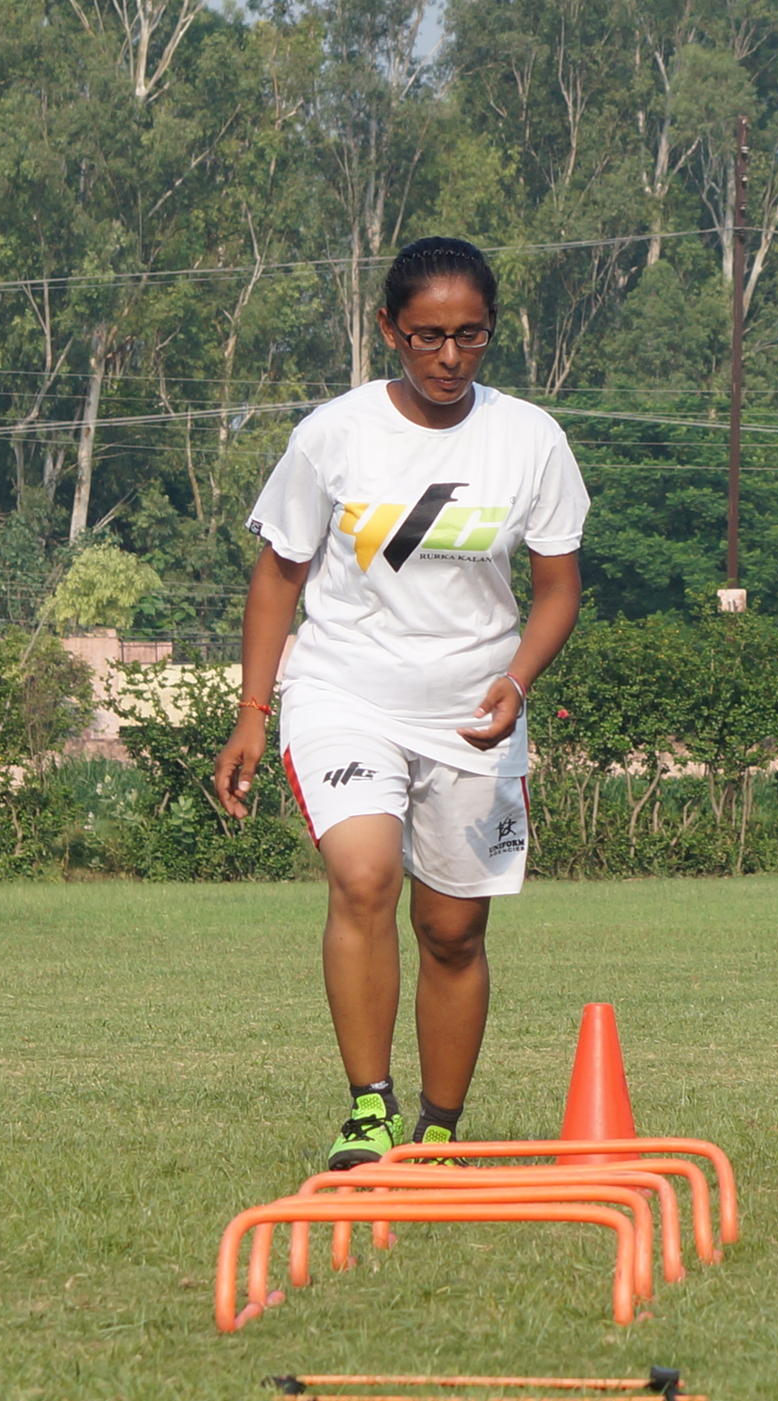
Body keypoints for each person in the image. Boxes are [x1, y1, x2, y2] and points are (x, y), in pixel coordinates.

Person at [210, 237, 590, 1171]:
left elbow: (558, 590)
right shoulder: (334, 434)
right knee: (366, 875)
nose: (450, 359)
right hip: (344, 692)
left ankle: (438, 1130)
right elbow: (278, 576)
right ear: (390, 331)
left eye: (471, 337)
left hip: (473, 708)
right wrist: (254, 710)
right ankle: (368, 1110)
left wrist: (517, 681)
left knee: (452, 931)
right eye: (428, 338)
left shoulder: (529, 436)